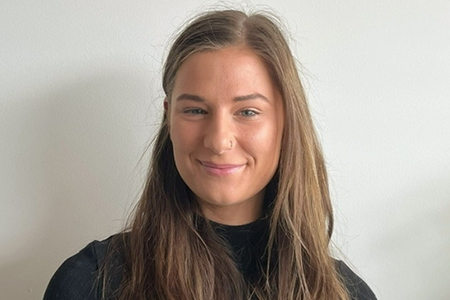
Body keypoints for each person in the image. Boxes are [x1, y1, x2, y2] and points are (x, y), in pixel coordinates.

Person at [43, 9, 377, 300]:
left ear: (286, 122)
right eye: (195, 110)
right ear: (168, 118)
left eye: (247, 112)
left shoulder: (345, 292)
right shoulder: (90, 282)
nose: (218, 141)